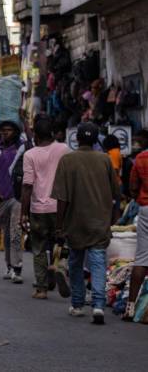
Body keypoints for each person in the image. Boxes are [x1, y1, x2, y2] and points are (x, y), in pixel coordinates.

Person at [52, 122, 120, 325]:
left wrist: (59, 225)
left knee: (75, 262)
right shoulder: (105, 160)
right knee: (98, 263)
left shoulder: (67, 160)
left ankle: (78, 304)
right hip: (99, 221)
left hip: (75, 222)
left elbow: (61, 198)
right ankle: (98, 305)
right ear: (95, 139)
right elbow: (116, 193)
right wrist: (113, 218)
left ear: (77, 139)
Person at [21, 116, 71, 299]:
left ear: (36, 135)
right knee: (62, 241)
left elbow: (27, 186)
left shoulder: (30, 155)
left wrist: (23, 213)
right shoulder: (64, 149)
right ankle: (59, 265)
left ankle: (41, 288)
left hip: (38, 210)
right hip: (61, 207)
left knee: (39, 248)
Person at [0, 121, 24, 283]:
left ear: (15, 132)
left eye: (8, 130)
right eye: (3, 131)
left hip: (17, 198)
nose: (5, 133)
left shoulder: (22, 148)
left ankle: (17, 268)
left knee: (16, 232)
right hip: (1, 197)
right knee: (6, 233)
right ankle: (9, 265)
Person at [125, 131, 148, 321]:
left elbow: (133, 187)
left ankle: (130, 307)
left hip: (146, 209)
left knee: (141, 258)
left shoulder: (141, 158)